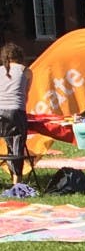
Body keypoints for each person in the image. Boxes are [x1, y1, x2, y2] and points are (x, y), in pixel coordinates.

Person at [0, 43, 33, 185]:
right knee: (17, 145)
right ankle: (17, 182)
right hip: (16, 113)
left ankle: (13, 176)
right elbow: (26, 95)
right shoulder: (26, 71)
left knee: (8, 142)